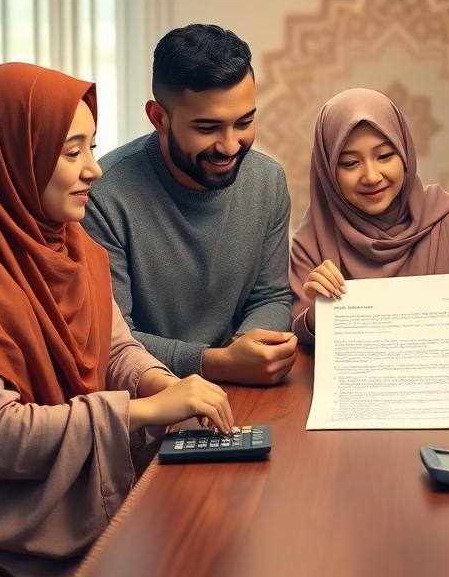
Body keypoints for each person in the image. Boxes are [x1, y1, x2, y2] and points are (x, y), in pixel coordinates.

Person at [0, 63, 234, 577]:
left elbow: (114, 347)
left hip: (70, 471)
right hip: (6, 507)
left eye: (93, 148)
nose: (95, 170)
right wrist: (145, 412)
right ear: (12, 156)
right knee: (199, 565)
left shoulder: (63, 242)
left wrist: (160, 384)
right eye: (72, 153)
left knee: (233, 520)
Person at [83, 24, 296, 385]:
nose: (230, 146)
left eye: (244, 122)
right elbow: (111, 340)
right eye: (208, 128)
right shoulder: (102, 196)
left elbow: (271, 296)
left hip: (243, 389)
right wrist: (216, 363)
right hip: (149, 400)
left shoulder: (268, 181)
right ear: (158, 118)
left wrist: (249, 347)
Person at [290, 88, 449, 345]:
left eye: (384, 156)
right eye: (350, 163)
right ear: (327, 170)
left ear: (405, 153)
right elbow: (300, 337)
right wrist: (317, 316)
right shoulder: (312, 237)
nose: (371, 176)